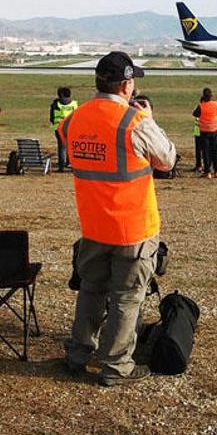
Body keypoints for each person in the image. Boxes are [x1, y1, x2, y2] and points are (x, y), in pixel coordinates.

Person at [59, 51, 175, 387]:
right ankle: (116, 366)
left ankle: (78, 354)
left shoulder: (74, 119)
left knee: (91, 292)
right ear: (126, 85)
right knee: (126, 297)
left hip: (93, 228)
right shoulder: (134, 122)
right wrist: (149, 119)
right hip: (133, 229)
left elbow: (74, 141)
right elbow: (167, 160)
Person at [192, 87, 217, 178]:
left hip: (204, 131)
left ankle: (207, 172)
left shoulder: (201, 106)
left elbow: (195, 114)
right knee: (214, 151)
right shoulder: (216, 104)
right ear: (211, 96)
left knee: (205, 152)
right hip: (214, 130)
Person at [50, 86, 78, 172]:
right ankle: (70, 163)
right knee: (71, 146)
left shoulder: (56, 104)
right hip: (72, 127)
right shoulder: (74, 104)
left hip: (59, 128)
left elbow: (52, 116)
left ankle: (61, 166)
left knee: (62, 147)